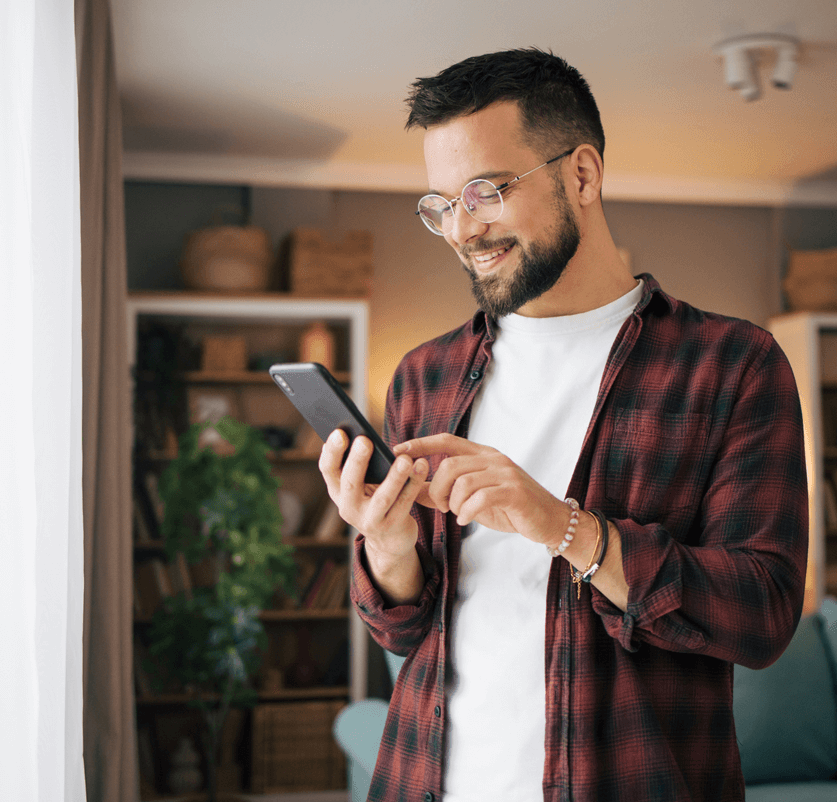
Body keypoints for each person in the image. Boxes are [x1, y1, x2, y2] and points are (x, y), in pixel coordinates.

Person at [318, 48, 808, 802]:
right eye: (441, 203)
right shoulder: (424, 375)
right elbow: (407, 633)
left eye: (485, 191)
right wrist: (385, 546)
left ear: (581, 175)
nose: (461, 229)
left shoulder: (733, 365)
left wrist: (562, 525)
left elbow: (764, 613)